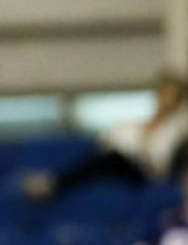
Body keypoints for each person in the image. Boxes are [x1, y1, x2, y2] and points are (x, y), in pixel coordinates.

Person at [22, 71, 188, 200]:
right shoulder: (133, 125)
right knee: (106, 158)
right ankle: (55, 182)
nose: (166, 100)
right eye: (164, 94)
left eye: (172, 96)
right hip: (122, 166)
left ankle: (55, 183)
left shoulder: (178, 131)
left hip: (149, 175)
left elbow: (165, 163)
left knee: (112, 159)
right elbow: (106, 141)